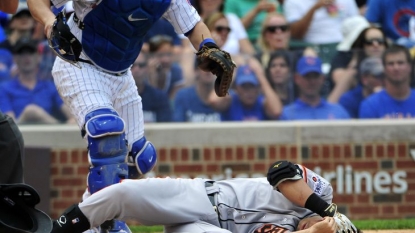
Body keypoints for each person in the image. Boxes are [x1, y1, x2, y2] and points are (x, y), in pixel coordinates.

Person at [27, 0, 231, 231]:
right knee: (107, 135)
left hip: (122, 77)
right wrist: (50, 20)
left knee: (140, 157)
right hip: (79, 65)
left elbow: (193, 25)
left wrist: (209, 47)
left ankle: (89, 218)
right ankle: (106, 224)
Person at [49, 160, 359, 233]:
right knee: (124, 192)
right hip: (200, 195)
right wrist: (324, 211)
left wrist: (319, 229)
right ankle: (62, 227)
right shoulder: (322, 192)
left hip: (208, 229)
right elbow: (279, 172)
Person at [0, 37, 74, 124]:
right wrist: (31, 113)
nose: (27, 57)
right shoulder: (5, 89)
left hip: (49, 134)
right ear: (15, 59)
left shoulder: (50, 86)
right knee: (30, 111)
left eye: (31, 52)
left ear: (39, 57)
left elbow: (72, 117)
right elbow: (9, 124)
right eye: (22, 53)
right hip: (20, 134)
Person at [283, 0, 359, 63]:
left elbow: (357, 26)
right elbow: (296, 34)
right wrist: (315, 8)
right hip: (311, 48)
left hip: (344, 46)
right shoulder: (293, 2)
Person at [208, 59, 282, 121]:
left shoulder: (261, 103)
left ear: (258, 88)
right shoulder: (231, 101)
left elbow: (276, 111)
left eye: (252, 86)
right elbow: (214, 100)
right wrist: (231, 73)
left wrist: (261, 76)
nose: (248, 92)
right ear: (237, 88)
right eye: (244, 87)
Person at [280, 56, 350, 120]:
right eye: (307, 76)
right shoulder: (287, 114)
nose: (312, 81)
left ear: (322, 78)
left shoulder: (338, 112)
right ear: (297, 79)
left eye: (315, 76)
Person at [359, 45, 415, 119]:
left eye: (400, 63)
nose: (396, 68)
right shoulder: (370, 105)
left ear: (409, 67)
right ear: (384, 69)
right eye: (391, 64)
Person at [132, 52, 172, 123]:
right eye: (132, 65)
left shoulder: (160, 97)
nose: (137, 69)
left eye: (141, 65)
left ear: (147, 68)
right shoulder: (116, 97)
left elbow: (166, 128)